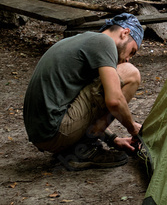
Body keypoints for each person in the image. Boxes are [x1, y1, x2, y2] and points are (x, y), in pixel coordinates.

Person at [22, 13, 145, 171]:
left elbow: (84, 105)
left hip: (43, 133)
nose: (128, 58)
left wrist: (113, 140)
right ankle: (86, 149)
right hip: (55, 131)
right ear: (125, 33)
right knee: (130, 73)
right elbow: (114, 101)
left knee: (111, 80)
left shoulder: (85, 41)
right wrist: (132, 128)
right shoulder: (104, 42)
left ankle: (77, 147)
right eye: (132, 51)